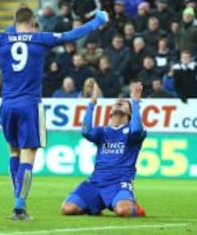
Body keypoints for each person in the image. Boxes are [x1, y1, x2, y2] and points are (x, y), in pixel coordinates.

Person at [0, 7, 108, 220]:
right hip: (30, 105)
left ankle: (16, 198)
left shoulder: (2, 39)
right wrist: (98, 19)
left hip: (8, 105)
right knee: (29, 155)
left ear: (15, 21)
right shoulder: (40, 39)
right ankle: (19, 207)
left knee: (14, 153)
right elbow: (72, 35)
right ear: (32, 22)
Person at [61, 82, 146, 217]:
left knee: (124, 211)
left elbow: (136, 130)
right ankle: (95, 205)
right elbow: (85, 131)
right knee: (68, 209)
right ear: (110, 111)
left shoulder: (132, 131)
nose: (119, 102)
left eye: (124, 102)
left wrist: (135, 102)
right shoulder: (102, 131)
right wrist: (92, 103)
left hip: (119, 182)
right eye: (116, 102)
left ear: (130, 112)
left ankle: (133, 206)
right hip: (96, 181)